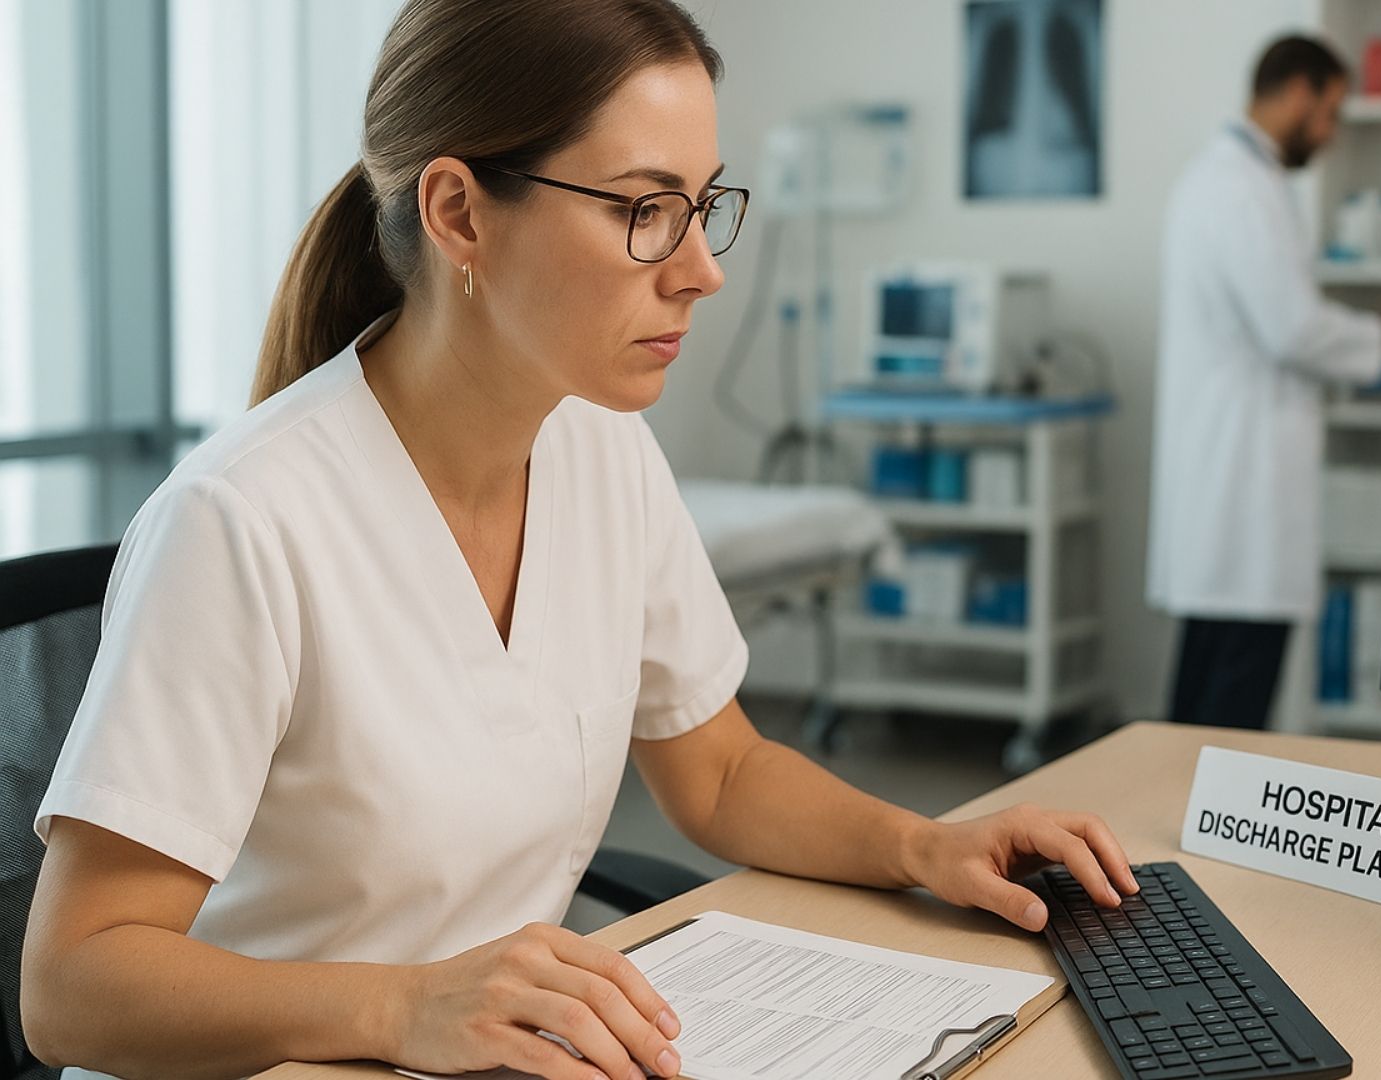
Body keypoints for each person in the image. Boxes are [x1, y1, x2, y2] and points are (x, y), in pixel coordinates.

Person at [19, 3, 1137, 1078]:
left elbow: (723, 770)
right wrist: (404, 1005)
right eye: (644, 209)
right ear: (459, 213)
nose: (704, 267)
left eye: (707, 205)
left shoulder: (602, 452)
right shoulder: (241, 520)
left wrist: (924, 847)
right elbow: (72, 987)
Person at [1146, 35, 1381, 731]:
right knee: (1228, 704)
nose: (1330, 133)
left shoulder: (1225, 179)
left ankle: (1158, 825)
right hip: (1243, 488)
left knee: (1199, 701)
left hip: (1226, 479)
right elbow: (1292, 329)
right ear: (1300, 91)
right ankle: (1186, 833)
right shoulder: (1242, 189)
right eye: (1331, 111)